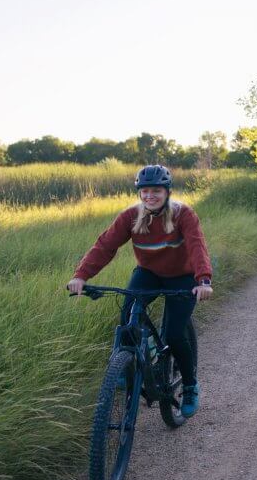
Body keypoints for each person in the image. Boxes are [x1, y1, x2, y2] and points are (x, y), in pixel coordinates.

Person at [67, 165, 213, 418]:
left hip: (183, 277)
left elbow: (196, 246)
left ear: (167, 192)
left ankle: (190, 385)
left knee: (175, 334)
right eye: (144, 191)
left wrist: (203, 280)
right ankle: (128, 367)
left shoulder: (183, 214)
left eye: (156, 191)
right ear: (139, 192)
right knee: (128, 317)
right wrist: (81, 276)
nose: (150, 196)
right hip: (149, 273)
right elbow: (105, 247)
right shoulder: (130, 216)